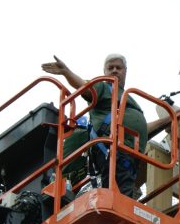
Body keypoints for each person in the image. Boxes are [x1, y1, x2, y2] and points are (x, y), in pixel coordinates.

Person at [42, 53, 155, 197]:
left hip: (129, 153)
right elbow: (85, 87)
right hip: (112, 149)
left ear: (125, 71)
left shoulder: (128, 98)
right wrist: (66, 72)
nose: (114, 70)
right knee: (118, 196)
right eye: (110, 68)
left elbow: (143, 128)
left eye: (118, 68)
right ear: (105, 72)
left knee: (124, 191)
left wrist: (169, 119)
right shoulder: (103, 86)